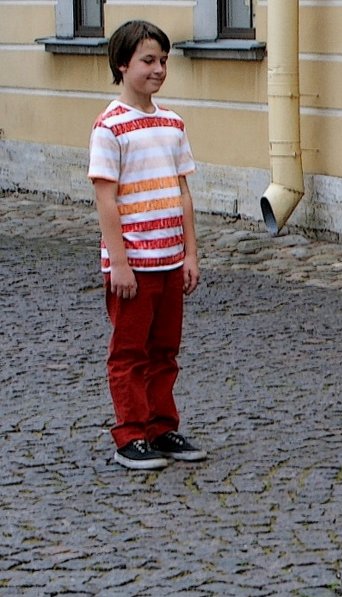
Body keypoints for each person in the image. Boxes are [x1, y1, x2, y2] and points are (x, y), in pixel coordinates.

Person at [88, 20, 207, 470]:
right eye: (148, 61)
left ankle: (162, 426)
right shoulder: (110, 127)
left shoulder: (173, 123)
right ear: (122, 64)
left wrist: (190, 253)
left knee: (164, 351)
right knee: (130, 352)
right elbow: (105, 198)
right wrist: (119, 262)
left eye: (163, 61)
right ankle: (131, 434)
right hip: (133, 263)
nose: (158, 69)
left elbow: (183, 194)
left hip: (169, 261)